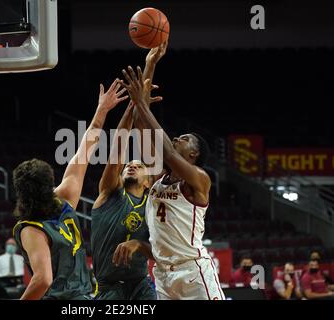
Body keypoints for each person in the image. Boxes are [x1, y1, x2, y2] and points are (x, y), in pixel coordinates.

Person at [12, 79, 128, 300]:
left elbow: (43, 280)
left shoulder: (30, 229)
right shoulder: (65, 198)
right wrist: (102, 109)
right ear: (49, 183)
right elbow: (87, 146)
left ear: (20, 193)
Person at [119, 65, 225, 300]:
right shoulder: (157, 177)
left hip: (194, 273)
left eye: (185, 139)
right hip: (163, 276)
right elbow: (140, 126)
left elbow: (168, 153)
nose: (177, 138)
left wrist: (143, 104)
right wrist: (150, 64)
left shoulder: (200, 180)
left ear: (193, 155)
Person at [90, 43, 166, 300]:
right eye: (128, 165)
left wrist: (152, 65)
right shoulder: (110, 191)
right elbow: (121, 140)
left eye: (140, 165)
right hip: (109, 288)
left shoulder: (153, 200)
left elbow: (149, 132)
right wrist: (137, 100)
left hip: (141, 285)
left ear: (148, 181)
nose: (132, 164)